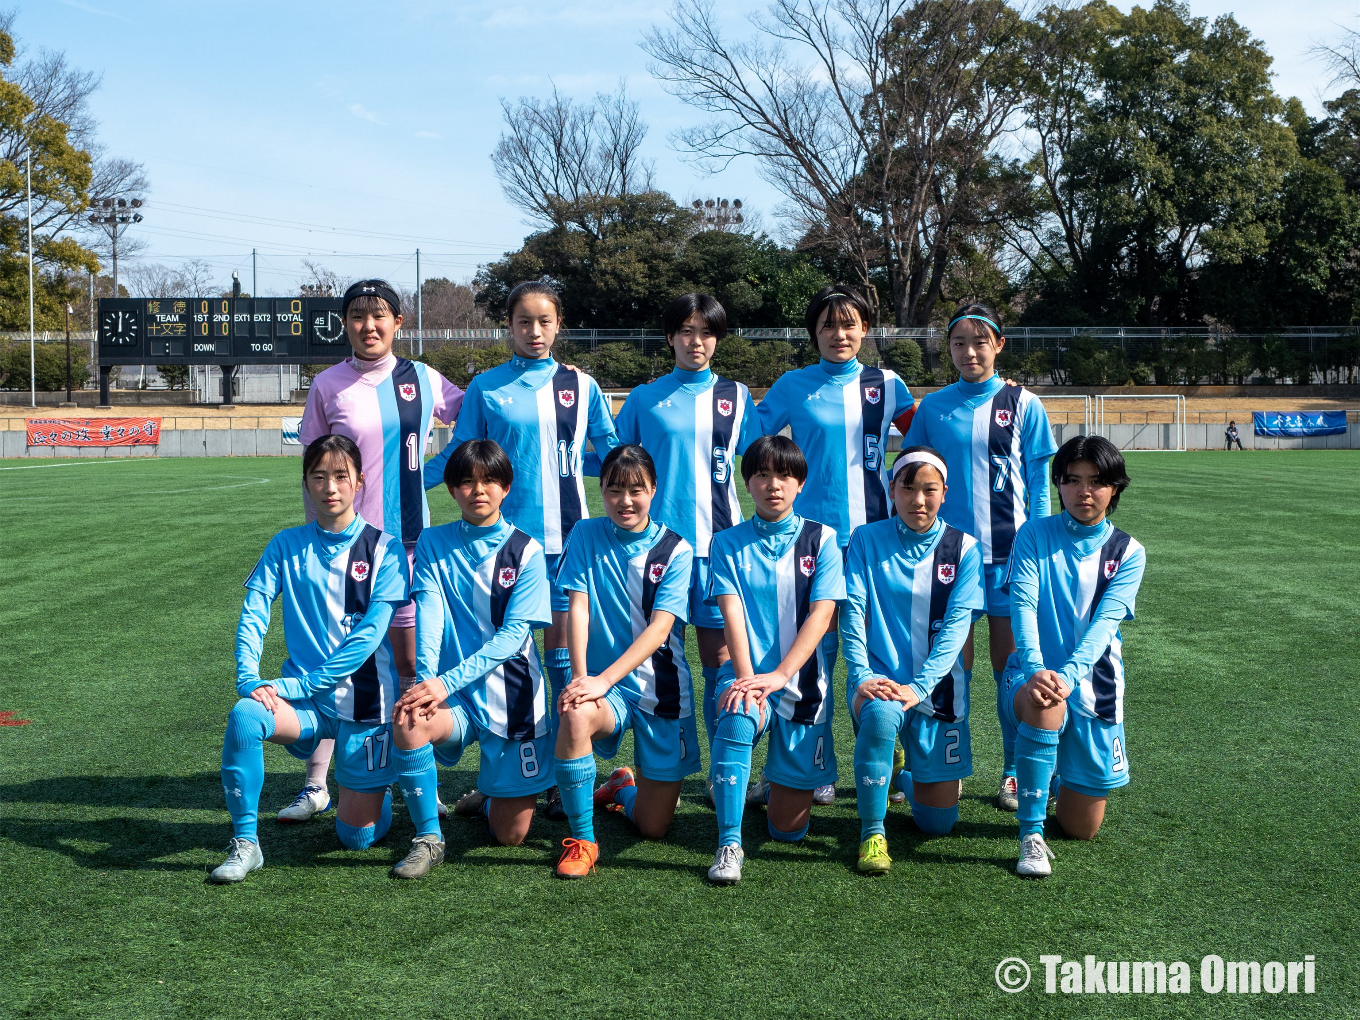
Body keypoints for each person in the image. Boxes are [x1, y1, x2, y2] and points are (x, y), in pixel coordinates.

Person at [422, 281, 618, 819]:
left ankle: (561, 772)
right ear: (508, 326)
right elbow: (461, 458)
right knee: (498, 656)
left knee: (560, 660)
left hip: (568, 542)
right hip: (500, 547)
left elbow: (611, 453)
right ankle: (500, 773)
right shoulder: (487, 386)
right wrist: (400, 485)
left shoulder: (582, 385)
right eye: (524, 322)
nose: (535, 332)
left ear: (560, 326)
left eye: (545, 321)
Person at [287, 279, 464, 823]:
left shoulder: (423, 378)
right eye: (358, 317)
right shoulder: (328, 385)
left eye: (380, 315)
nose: (369, 326)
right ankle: (318, 783)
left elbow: (475, 418)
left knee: (411, 663)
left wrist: (428, 474)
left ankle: (418, 779)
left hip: (409, 546)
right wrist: (317, 540)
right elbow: (315, 466)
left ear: (398, 323)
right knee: (338, 662)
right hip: (344, 552)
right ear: (345, 325)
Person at [212, 435, 411, 883]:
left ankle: (376, 790)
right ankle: (247, 842)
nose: (330, 487)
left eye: (341, 476)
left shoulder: (386, 549)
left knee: (356, 838)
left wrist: (300, 685)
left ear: (360, 481)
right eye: (318, 477)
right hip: (305, 706)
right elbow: (254, 612)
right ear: (305, 483)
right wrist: (248, 677)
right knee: (246, 716)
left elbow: (368, 637)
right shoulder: (285, 544)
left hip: (365, 708)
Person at [756, 284, 914, 805]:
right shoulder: (792, 385)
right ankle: (810, 763)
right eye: (827, 325)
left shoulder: (889, 385)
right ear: (813, 334)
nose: (839, 334)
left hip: (876, 542)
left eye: (849, 325)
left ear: (865, 330)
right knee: (811, 654)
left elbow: (930, 432)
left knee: (882, 651)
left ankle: (893, 757)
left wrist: (985, 384)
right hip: (809, 542)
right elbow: (745, 437)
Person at [903, 302, 1056, 812]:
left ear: (999, 345)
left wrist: (1035, 549)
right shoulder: (933, 407)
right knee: (951, 666)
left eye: (979, 342)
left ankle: (1013, 769)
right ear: (948, 349)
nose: (970, 353)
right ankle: (951, 761)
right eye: (959, 344)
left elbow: (1038, 485)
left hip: (1011, 557)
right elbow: (915, 475)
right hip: (948, 561)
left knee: (1010, 667)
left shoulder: (1024, 403)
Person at [387, 439, 555, 875]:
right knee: (408, 717)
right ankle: (428, 836)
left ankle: (493, 794)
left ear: (505, 487)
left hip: (512, 696)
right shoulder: (432, 541)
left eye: (489, 481)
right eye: (466, 482)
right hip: (454, 697)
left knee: (511, 836)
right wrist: (426, 680)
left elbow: (513, 637)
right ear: (451, 490)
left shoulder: (528, 552)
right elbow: (430, 613)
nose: (478, 490)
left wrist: (444, 681)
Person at [614, 293, 760, 776]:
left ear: (717, 338)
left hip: (720, 549)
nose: (696, 342)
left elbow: (762, 463)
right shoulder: (644, 397)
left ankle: (725, 770)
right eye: (686, 331)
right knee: (659, 658)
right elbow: (613, 463)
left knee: (722, 662)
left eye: (706, 332)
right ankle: (665, 768)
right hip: (658, 551)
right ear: (670, 337)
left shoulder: (738, 396)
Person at [1000, 435, 1146, 877]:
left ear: (1115, 487)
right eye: (1072, 480)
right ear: (1058, 485)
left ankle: (1053, 776)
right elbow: (1021, 606)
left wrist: (1068, 675)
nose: (1085, 492)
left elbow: (1104, 627)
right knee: (1047, 703)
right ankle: (1030, 835)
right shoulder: (1034, 534)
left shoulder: (1128, 553)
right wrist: (1036, 669)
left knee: (1083, 829)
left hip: (1094, 688)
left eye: (1097, 481)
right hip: (1029, 678)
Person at [550, 445, 699, 878]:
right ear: (601, 491)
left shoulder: (676, 549)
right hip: (604, 688)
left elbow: (659, 630)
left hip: (661, 690)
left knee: (654, 828)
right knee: (576, 713)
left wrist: (603, 678)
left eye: (636, 490)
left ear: (654, 490)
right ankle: (582, 839)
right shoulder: (584, 533)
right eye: (614, 490)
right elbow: (577, 606)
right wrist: (583, 678)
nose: (625, 500)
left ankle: (620, 788)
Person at [704, 436, 845, 884]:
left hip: (802, 682)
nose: (773, 485)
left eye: (784, 475)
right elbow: (732, 617)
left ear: (800, 483)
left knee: (788, 831)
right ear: (747, 483)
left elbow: (822, 615)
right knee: (736, 715)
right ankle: (729, 843)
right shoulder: (725, 543)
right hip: (747, 672)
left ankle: (771, 782)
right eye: (762, 474)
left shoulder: (822, 539)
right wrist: (748, 681)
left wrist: (780, 675)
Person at [841, 447, 984, 874]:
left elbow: (958, 628)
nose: (918, 500)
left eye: (929, 490)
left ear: (944, 493)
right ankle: (872, 831)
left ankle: (900, 773)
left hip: (936, 690)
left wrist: (919, 688)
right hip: (878, 683)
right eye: (908, 488)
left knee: (937, 825)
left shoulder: (964, 548)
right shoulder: (866, 539)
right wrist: (862, 674)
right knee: (883, 718)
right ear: (892, 489)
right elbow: (852, 611)